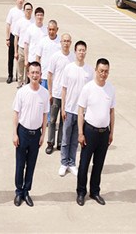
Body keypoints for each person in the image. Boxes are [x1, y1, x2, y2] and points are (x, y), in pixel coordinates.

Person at [76, 58, 116, 206]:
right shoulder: (88, 88)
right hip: (89, 131)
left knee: (98, 164)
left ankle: (95, 191)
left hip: (104, 132)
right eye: (101, 71)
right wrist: (81, 133)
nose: (103, 74)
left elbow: (111, 112)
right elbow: (81, 112)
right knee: (84, 164)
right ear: (96, 70)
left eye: (106, 71)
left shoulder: (110, 89)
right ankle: (81, 192)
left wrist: (111, 132)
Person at [12, 61, 49, 207]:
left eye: (37, 73)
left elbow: (45, 116)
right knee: (20, 164)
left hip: (36, 135)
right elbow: (16, 114)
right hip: (22, 132)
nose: (35, 75)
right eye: (32, 72)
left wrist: (43, 135)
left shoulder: (44, 93)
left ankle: (26, 191)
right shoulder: (22, 92)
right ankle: (18, 192)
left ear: (41, 75)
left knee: (31, 165)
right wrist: (14, 134)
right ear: (28, 74)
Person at [59, 41, 94, 177]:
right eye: (79, 50)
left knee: (75, 139)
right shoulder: (69, 68)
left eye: (83, 50)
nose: (81, 53)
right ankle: (63, 163)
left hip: (81, 112)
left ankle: (72, 163)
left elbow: (91, 92)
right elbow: (64, 89)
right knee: (65, 138)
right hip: (69, 109)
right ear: (75, 52)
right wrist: (63, 108)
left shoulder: (89, 70)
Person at [45, 33, 75, 154]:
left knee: (64, 120)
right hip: (56, 93)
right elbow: (49, 75)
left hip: (67, 96)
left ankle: (60, 143)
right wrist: (50, 92)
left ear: (70, 43)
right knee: (52, 120)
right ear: (61, 42)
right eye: (64, 41)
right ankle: (50, 142)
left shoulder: (73, 58)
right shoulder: (55, 57)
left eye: (68, 41)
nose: (66, 43)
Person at [12, 3, 34, 88]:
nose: (28, 11)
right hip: (21, 48)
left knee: (28, 69)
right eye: (27, 9)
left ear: (32, 10)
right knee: (20, 68)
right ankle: (19, 84)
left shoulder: (34, 22)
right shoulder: (19, 22)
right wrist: (15, 51)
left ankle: (27, 84)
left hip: (30, 49)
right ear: (24, 10)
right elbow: (16, 37)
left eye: (30, 9)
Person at [5, 0, 25, 84]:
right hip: (13, 36)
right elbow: (8, 25)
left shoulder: (25, 11)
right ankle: (10, 75)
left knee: (20, 57)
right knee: (11, 57)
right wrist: (7, 38)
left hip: (21, 37)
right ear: (16, 0)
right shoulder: (12, 11)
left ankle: (18, 75)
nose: (20, 1)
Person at [35, 20, 61, 89]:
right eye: (50, 29)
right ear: (47, 29)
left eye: (53, 29)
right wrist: (38, 73)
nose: (51, 32)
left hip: (56, 77)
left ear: (57, 29)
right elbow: (38, 57)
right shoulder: (43, 41)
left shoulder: (60, 42)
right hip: (44, 76)